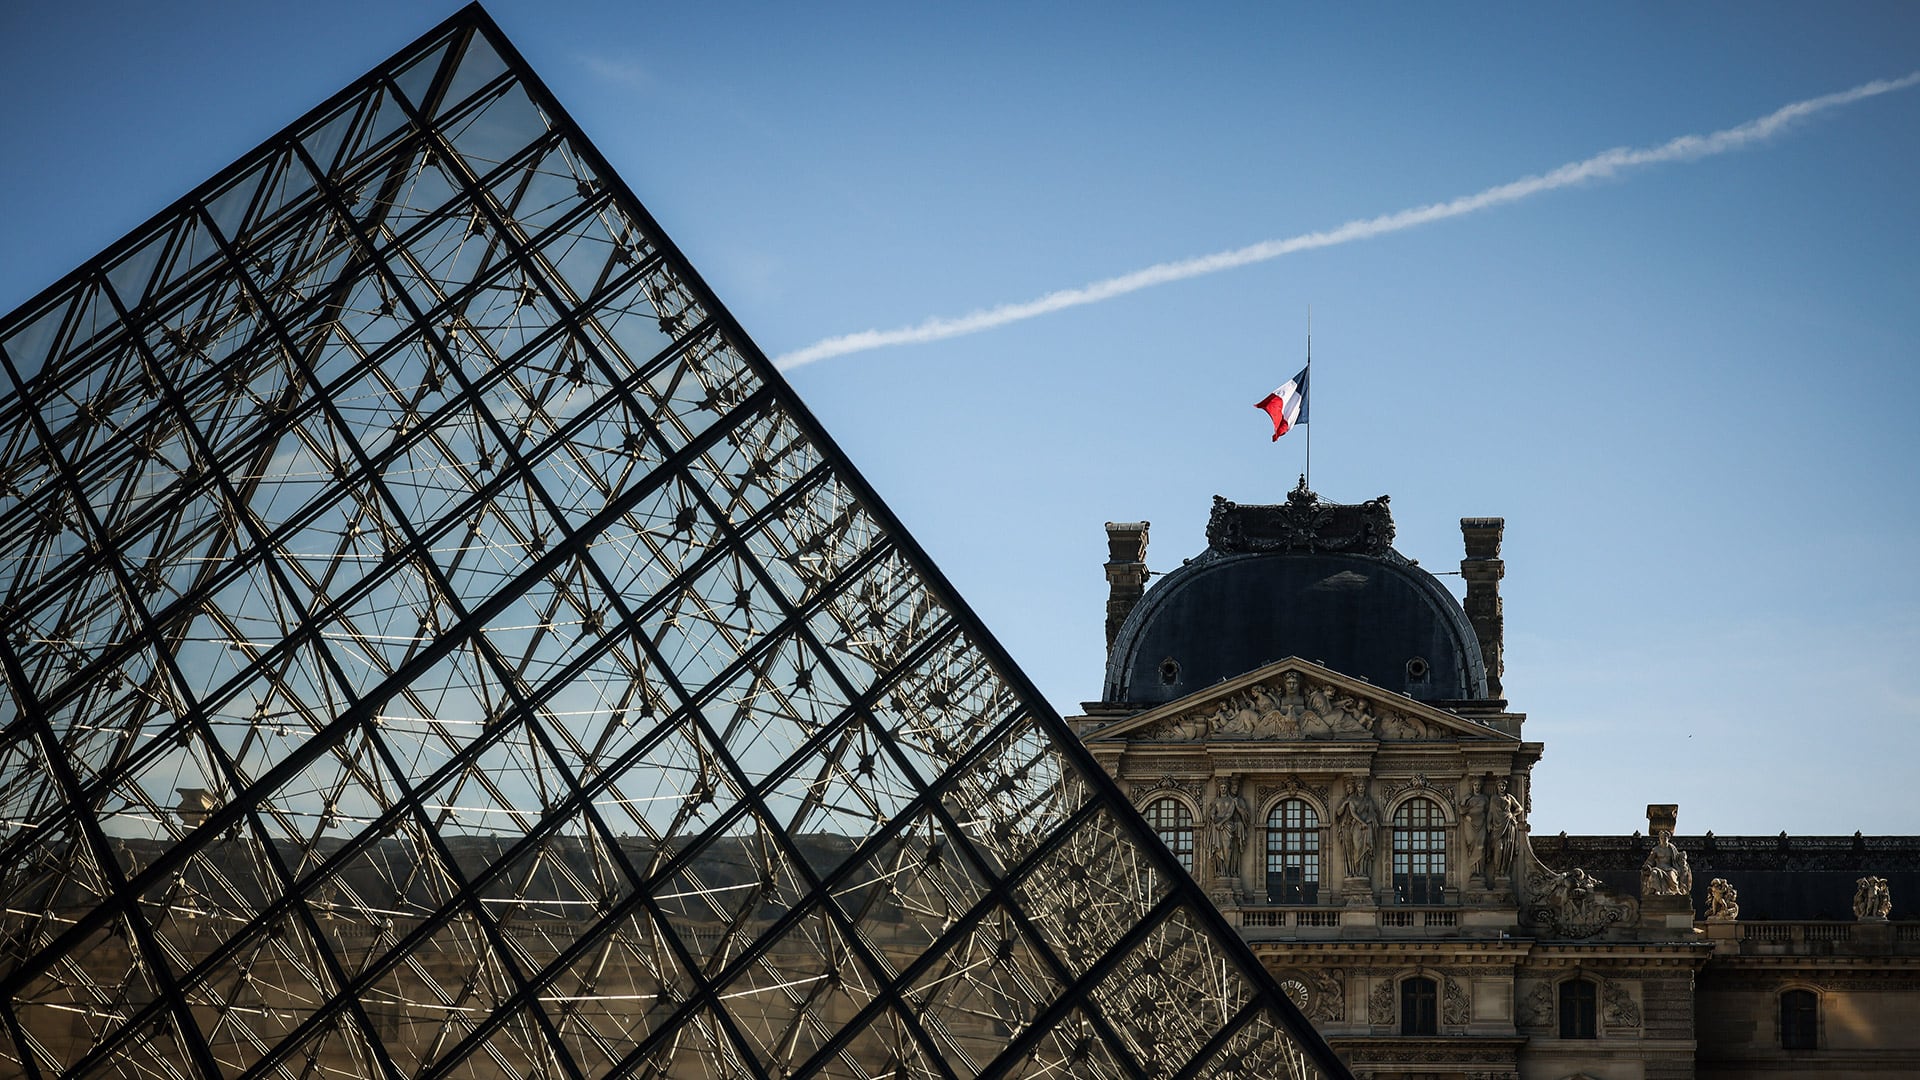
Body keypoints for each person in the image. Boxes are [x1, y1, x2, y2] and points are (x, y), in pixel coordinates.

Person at [1335, 777, 1378, 878]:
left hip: (1364, 827)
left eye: (1362, 786)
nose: (1361, 788)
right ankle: (1354, 871)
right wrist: (1361, 822)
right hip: (1353, 826)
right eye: (1359, 787)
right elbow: (1345, 812)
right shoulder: (1349, 800)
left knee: (1364, 850)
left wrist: (1368, 822)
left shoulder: (1368, 800)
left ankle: (1362, 871)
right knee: (1355, 849)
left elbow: (1372, 813)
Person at [1208, 776, 1248, 876]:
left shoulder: (1232, 801)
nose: (1223, 789)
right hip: (1217, 828)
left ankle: (1227, 871)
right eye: (1221, 787)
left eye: (1225, 787)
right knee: (1218, 850)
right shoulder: (1216, 801)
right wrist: (1215, 820)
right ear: (1219, 788)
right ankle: (1221, 871)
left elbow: (1229, 814)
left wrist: (1221, 823)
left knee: (1227, 848)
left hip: (1227, 826)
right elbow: (1212, 813)